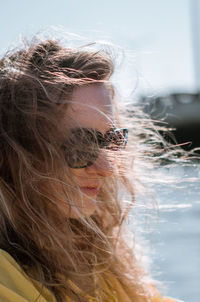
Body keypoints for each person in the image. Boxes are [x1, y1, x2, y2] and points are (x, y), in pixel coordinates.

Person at [0, 37, 180, 302]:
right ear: (15, 153)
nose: (107, 168)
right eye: (81, 145)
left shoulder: (93, 252)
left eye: (112, 141)